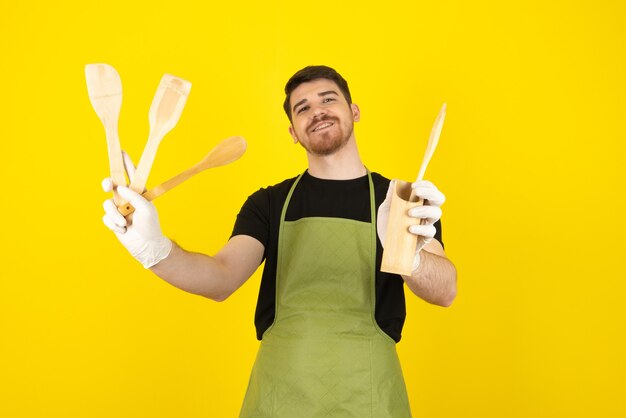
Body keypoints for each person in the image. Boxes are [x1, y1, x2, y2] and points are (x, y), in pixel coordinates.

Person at [102, 65, 457, 417]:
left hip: (370, 397)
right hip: (280, 395)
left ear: (354, 111)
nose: (316, 111)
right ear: (293, 132)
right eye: (302, 108)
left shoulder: (400, 200)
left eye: (328, 99)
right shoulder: (269, 203)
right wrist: (154, 248)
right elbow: (221, 278)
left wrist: (413, 257)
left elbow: (445, 291)